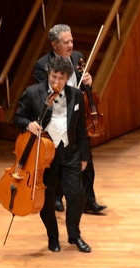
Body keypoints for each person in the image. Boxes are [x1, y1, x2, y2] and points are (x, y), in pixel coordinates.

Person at [15, 56, 92, 253]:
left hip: (70, 152)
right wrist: (29, 124)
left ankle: (74, 235)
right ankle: (53, 238)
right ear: (48, 74)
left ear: (67, 78)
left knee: (77, 195)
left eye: (61, 78)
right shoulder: (33, 93)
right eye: (53, 76)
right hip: (44, 155)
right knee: (47, 200)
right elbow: (18, 117)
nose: (56, 81)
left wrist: (84, 156)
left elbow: (81, 128)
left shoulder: (75, 95)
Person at [33, 23, 107, 215]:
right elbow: (43, 93)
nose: (71, 45)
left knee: (86, 160)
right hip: (57, 120)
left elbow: (83, 89)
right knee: (58, 163)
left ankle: (89, 201)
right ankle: (57, 197)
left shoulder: (77, 57)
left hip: (78, 119)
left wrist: (88, 83)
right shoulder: (42, 65)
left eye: (71, 41)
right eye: (66, 42)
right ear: (54, 44)